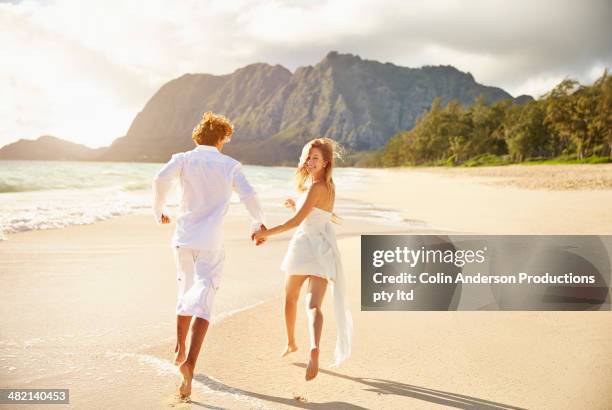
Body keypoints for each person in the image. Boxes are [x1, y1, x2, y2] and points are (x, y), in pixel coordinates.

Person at [153, 111, 266, 399]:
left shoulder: (183, 159)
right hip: (211, 241)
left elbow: (159, 179)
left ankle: (179, 349)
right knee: (204, 299)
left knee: (185, 289)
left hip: (183, 237)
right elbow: (249, 195)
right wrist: (257, 222)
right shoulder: (229, 165)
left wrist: (160, 210)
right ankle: (190, 363)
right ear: (220, 138)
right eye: (226, 138)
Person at [252, 137, 352, 381]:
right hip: (324, 248)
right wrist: (294, 204)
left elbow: (297, 223)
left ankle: (291, 342)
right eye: (309, 156)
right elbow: (314, 214)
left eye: (315, 157)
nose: (310, 161)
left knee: (290, 298)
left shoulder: (315, 187)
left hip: (304, 247)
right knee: (314, 305)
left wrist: (264, 233)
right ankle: (314, 346)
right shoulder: (329, 187)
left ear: (326, 162)